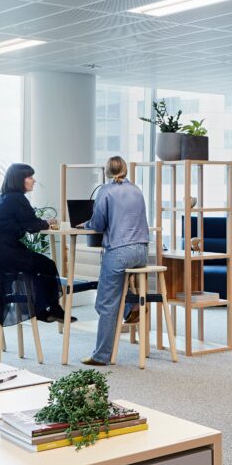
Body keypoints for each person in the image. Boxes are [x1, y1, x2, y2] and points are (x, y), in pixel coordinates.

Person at [79, 156, 150, 366]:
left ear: (107, 171)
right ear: (125, 170)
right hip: (142, 251)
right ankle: (132, 307)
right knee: (118, 288)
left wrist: (86, 224)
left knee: (105, 303)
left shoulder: (106, 191)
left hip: (120, 252)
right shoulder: (136, 189)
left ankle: (101, 356)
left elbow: (98, 224)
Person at [0, 163, 64, 325]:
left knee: (38, 266)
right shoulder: (16, 198)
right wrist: (48, 222)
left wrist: (41, 222)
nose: (34, 180)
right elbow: (32, 226)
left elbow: (25, 223)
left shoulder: (6, 197)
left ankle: (44, 309)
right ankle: (50, 309)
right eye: (30, 177)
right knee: (47, 265)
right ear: (19, 179)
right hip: (3, 250)